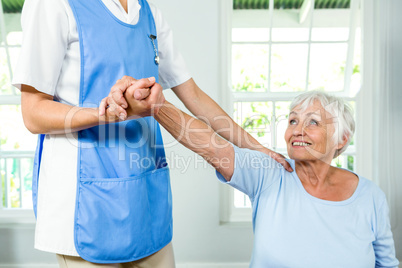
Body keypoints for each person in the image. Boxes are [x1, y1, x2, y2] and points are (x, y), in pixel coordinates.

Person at [13, 0, 291, 266]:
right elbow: (33, 113)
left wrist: (259, 150)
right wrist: (111, 114)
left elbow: (193, 96)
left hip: (144, 201)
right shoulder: (53, 4)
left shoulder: (149, 14)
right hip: (82, 203)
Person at [123, 81, 398, 267]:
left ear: (342, 139)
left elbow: (386, 264)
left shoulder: (370, 196)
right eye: (292, 120)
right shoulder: (270, 174)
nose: (297, 130)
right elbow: (209, 144)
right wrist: (158, 107)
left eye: (312, 122)